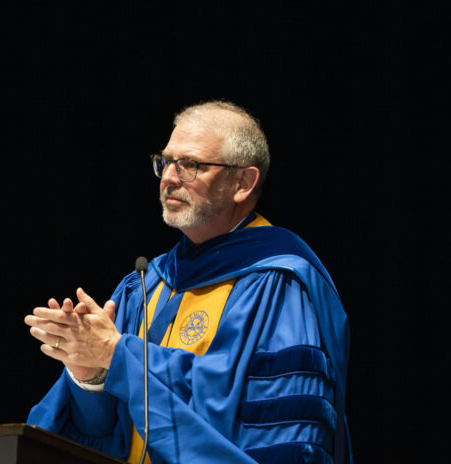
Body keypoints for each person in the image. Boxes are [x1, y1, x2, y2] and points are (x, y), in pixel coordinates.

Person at [24, 101, 352, 463]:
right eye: (165, 162)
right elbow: (102, 433)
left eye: (190, 165)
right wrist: (91, 377)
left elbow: (255, 419)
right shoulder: (146, 286)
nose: (168, 177)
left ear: (243, 183)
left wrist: (120, 357)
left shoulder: (280, 284)